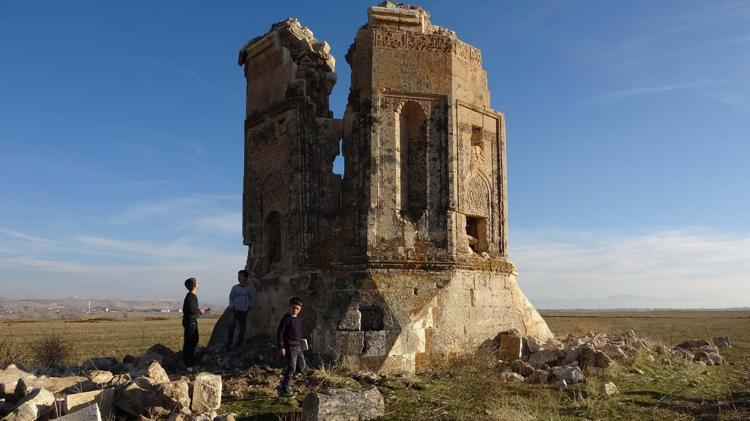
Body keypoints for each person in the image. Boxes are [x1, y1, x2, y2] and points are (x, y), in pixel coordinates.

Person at [276, 296, 305, 397]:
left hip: (298, 346)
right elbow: (280, 333)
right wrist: (281, 347)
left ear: (300, 309)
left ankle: (289, 379)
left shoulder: (298, 319)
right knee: (291, 368)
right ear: (290, 306)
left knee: (302, 365)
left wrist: (302, 343)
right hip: (290, 347)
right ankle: (285, 389)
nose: (295, 310)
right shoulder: (286, 319)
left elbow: (298, 333)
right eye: (293, 308)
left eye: (297, 308)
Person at [226, 269, 253, 349]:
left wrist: (249, 306)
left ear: (245, 277)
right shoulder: (235, 288)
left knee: (242, 327)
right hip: (235, 310)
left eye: (241, 276)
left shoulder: (248, 289)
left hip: (244, 310)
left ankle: (240, 342)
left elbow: (251, 298)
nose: (239, 277)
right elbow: (231, 297)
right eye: (238, 276)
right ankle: (230, 341)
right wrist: (231, 306)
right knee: (232, 325)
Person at [182, 277, 205, 371]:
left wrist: (197, 310)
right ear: (195, 285)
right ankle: (188, 363)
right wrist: (199, 311)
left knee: (192, 340)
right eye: (196, 283)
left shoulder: (190, 296)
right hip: (190, 321)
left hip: (190, 321)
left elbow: (190, 308)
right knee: (190, 341)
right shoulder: (192, 296)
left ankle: (188, 360)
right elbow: (191, 309)